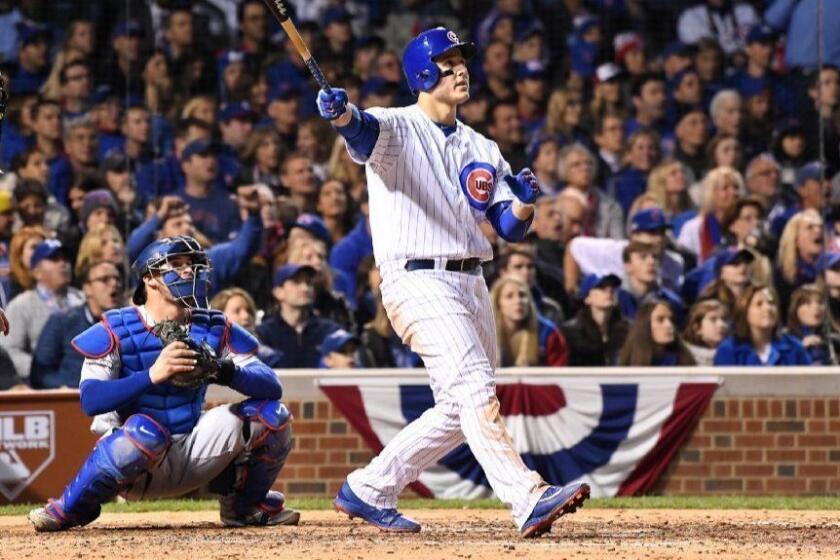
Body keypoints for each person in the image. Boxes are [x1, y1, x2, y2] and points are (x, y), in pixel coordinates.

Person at [316, 27, 589, 537]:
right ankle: (526, 496)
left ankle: (369, 488)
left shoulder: (481, 145)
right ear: (422, 72)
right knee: (474, 388)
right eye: (448, 61)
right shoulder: (396, 126)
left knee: (458, 406)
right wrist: (341, 113)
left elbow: (509, 225)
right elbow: (361, 133)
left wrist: (526, 202)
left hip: (471, 280)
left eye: (463, 58)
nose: (461, 68)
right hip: (416, 278)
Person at [28, 236, 299, 531]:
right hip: (137, 462)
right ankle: (70, 509)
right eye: (177, 264)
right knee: (145, 432)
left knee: (273, 415)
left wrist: (221, 370)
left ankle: (244, 508)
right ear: (149, 278)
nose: (188, 271)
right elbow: (90, 400)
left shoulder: (213, 325)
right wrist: (152, 375)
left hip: (195, 448)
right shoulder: (116, 327)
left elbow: (272, 387)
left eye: (193, 264)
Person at [29, 261, 124, 389]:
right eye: (105, 279)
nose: (114, 284)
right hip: (71, 400)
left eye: (117, 279)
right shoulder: (62, 321)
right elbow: (40, 374)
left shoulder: (128, 323)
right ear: (87, 288)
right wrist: (62, 388)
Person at [0, 239, 84, 381]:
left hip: (83, 379)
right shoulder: (21, 305)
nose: (63, 264)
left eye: (65, 258)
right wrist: (42, 372)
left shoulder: (83, 299)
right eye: (54, 259)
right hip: (37, 387)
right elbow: (10, 350)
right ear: (36, 272)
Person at [256, 264, 341, 368]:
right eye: (296, 282)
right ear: (278, 292)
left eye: (308, 283)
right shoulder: (265, 333)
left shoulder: (330, 331)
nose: (305, 288)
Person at [714, 283, 811, 365]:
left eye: (771, 303)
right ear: (744, 311)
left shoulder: (794, 348)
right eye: (759, 304)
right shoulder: (728, 350)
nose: (768, 308)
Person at [489, 277, 567, 367]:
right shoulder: (485, 333)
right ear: (498, 304)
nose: (518, 301)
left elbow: (558, 372)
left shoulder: (549, 333)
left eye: (522, 295)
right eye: (509, 296)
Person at [560, 274, 629, 367]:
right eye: (601, 287)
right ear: (587, 298)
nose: (609, 290)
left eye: (612, 287)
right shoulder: (572, 332)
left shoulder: (627, 329)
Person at [618, 298, 696, 366]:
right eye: (660, 320)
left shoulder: (684, 359)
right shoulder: (628, 360)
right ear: (645, 325)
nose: (669, 325)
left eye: (671, 320)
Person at [786, 284, 839, 365]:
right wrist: (800, 349)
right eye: (808, 303)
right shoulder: (785, 340)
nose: (816, 307)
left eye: (820, 302)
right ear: (795, 309)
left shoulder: (833, 341)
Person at [682, 298, 730, 366]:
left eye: (724, 319)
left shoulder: (733, 354)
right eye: (713, 319)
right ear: (697, 328)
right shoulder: (683, 357)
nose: (722, 324)